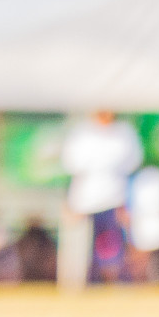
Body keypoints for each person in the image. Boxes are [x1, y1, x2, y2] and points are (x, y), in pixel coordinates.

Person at [60, 111, 142, 284]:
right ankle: (87, 282)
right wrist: (72, 202)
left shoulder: (124, 133)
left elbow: (132, 165)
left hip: (115, 199)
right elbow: (73, 168)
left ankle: (119, 281)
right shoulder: (81, 133)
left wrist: (127, 203)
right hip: (86, 201)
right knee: (85, 248)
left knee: (115, 249)